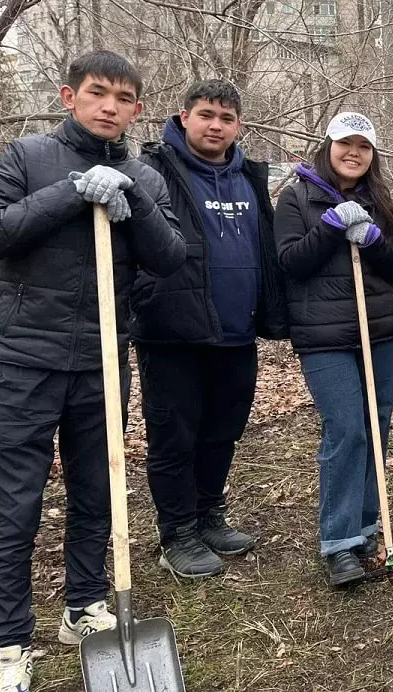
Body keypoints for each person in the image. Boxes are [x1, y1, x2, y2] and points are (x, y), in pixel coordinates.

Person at [0, 51, 185, 692]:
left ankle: (84, 606)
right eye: (96, 93)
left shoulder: (144, 174)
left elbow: (169, 258)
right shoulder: (27, 157)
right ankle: (9, 644)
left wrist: (133, 202)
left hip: (101, 362)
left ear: (138, 109)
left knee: (98, 494)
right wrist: (70, 191)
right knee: (17, 508)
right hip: (21, 362)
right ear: (69, 96)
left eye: (123, 97)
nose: (109, 106)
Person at [131, 79, 288, 579]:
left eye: (226, 118)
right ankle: (177, 532)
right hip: (173, 331)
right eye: (206, 115)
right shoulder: (154, 171)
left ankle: (208, 514)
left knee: (223, 430)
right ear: (184, 117)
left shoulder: (248, 178)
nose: (215, 125)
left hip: (236, 330)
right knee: (175, 436)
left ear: (238, 125)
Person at [274, 113, 393, 586]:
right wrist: (330, 227)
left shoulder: (381, 200)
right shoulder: (297, 197)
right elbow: (290, 262)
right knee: (347, 430)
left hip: (381, 332)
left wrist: (372, 240)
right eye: (345, 144)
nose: (354, 153)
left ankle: (368, 524)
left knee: (376, 428)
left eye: (363, 147)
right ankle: (338, 541)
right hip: (324, 337)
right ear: (327, 145)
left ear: (372, 155)